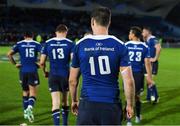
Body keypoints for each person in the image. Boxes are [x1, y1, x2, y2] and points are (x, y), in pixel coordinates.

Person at [69, 7, 135, 125]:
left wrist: (74, 100)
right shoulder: (120, 45)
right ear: (109, 22)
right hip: (111, 105)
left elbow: (72, 80)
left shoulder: (80, 45)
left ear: (92, 21)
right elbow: (128, 81)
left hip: (87, 105)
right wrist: (129, 105)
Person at [40, 24, 75, 125]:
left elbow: (42, 62)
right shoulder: (70, 43)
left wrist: (45, 72)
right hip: (65, 75)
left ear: (56, 32)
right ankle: (65, 124)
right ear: (66, 32)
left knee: (55, 102)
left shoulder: (48, 43)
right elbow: (73, 61)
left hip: (53, 75)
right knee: (65, 102)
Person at [7, 31, 41, 123]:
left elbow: (9, 54)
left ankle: (26, 112)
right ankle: (30, 107)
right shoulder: (36, 44)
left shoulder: (19, 44)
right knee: (33, 92)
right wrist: (39, 64)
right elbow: (44, 55)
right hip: (32, 70)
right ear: (32, 36)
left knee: (25, 91)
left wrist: (15, 64)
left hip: (23, 71)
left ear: (24, 36)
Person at [125, 26, 154, 124]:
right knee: (137, 97)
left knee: (128, 96)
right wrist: (149, 78)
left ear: (133, 35)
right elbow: (147, 63)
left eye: (130, 33)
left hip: (127, 74)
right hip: (138, 75)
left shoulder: (126, 45)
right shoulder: (144, 46)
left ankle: (129, 121)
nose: (129, 35)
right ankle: (137, 117)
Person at [142, 27, 161, 103]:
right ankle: (149, 97)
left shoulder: (153, 39)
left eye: (143, 32)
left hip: (152, 63)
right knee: (148, 81)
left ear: (148, 32)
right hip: (147, 63)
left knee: (150, 80)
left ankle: (156, 97)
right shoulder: (147, 40)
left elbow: (159, 48)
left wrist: (155, 58)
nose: (142, 33)